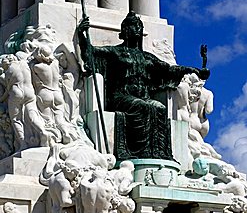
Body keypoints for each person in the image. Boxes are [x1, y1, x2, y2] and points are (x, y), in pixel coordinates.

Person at [78, 11, 210, 160]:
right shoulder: (115, 52)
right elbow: (92, 53)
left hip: (142, 97)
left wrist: (194, 70)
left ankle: (160, 153)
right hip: (121, 97)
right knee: (142, 107)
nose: (137, 30)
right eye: (134, 27)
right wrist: (82, 35)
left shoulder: (147, 56)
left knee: (159, 107)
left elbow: (168, 69)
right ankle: (136, 152)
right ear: (125, 31)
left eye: (139, 27)